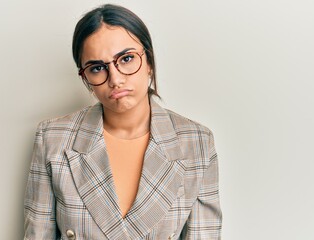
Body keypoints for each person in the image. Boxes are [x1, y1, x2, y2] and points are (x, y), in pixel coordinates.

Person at [24, 4, 222, 240]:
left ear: (148, 61)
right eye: (97, 67)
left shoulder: (197, 142)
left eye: (126, 59)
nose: (115, 79)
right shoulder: (53, 139)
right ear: (85, 77)